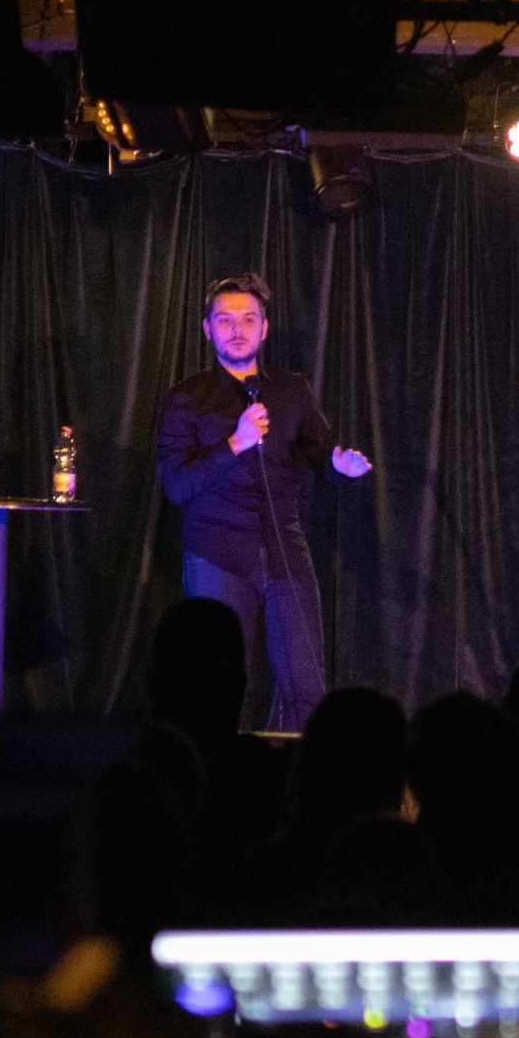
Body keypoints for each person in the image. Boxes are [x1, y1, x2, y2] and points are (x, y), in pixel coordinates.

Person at [156, 273, 372, 732]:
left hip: (284, 552)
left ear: (265, 327)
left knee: (306, 684)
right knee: (218, 689)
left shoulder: (292, 390)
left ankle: (299, 771)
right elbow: (175, 486)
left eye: (248, 319)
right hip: (216, 554)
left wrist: (340, 466)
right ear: (207, 328)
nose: (238, 329)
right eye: (225, 320)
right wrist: (235, 443)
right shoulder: (188, 397)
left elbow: (320, 455)